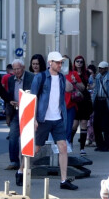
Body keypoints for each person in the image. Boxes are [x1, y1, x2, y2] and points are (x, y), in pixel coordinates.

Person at [30, 51, 78, 190]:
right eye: (57, 62)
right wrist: (34, 118)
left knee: (63, 147)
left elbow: (69, 88)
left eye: (61, 63)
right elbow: (33, 98)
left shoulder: (62, 78)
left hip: (57, 118)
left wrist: (69, 74)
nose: (60, 65)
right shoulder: (40, 77)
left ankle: (64, 180)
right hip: (43, 118)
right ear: (50, 63)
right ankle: (21, 170)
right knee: (36, 148)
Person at [5, 59, 34, 176]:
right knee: (13, 136)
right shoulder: (10, 80)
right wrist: (8, 115)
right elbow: (8, 97)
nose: (16, 71)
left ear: (23, 68)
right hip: (15, 111)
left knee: (25, 138)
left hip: (28, 110)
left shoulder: (31, 77)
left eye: (18, 69)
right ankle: (14, 161)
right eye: (14, 69)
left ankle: (25, 162)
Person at [91, 61, 109, 151]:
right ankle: (100, 144)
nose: (100, 70)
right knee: (96, 124)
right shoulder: (98, 77)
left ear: (106, 69)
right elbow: (95, 90)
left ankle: (107, 146)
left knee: (107, 125)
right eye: (99, 68)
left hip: (107, 101)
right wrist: (92, 102)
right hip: (99, 101)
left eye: (102, 68)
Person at [68, 55, 92, 155]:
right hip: (74, 100)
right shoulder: (71, 72)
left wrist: (76, 82)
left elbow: (85, 87)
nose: (79, 63)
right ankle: (70, 141)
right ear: (74, 62)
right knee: (74, 125)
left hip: (84, 99)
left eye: (81, 61)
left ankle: (82, 148)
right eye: (77, 61)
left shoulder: (86, 73)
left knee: (83, 123)